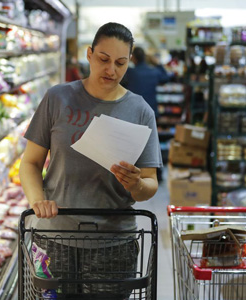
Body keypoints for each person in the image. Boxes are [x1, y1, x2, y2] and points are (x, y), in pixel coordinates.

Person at [19, 22, 162, 298]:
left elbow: (150, 184)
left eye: (120, 63)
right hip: (55, 235)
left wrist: (136, 184)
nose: (111, 70)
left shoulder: (141, 111)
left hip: (113, 242)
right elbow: (31, 163)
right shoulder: (57, 98)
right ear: (89, 54)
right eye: (103, 59)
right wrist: (37, 200)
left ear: (129, 61)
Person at [123, 47, 170, 117]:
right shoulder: (154, 72)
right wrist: (158, 63)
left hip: (133, 111)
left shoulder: (129, 72)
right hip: (151, 110)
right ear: (144, 57)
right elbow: (166, 78)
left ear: (133, 58)